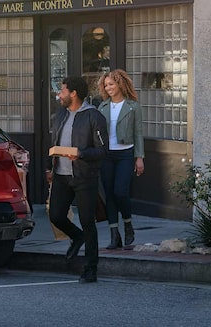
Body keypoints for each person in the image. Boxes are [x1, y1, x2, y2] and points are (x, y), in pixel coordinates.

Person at [47, 76, 108, 283]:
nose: (59, 94)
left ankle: (91, 269)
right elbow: (54, 141)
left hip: (84, 176)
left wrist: (80, 154)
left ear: (73, 93)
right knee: (55, 215)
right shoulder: (60, 115)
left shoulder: (94, 116)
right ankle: (76, 236)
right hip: (61, 176)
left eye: (62, 91)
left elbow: (102, 150)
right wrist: (50, 168)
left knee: (87, 223)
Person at [96, 69, 144, 249]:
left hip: (126, 154)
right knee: (109, 195)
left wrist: (139, 158)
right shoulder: (103, 107)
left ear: (120, 84)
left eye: (111, 84)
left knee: (120, 192)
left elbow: (138, 134)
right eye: (106, 85)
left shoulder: (133, 106)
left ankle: (128, 224)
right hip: (107, 155)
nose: (108, 88)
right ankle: (114, 235)